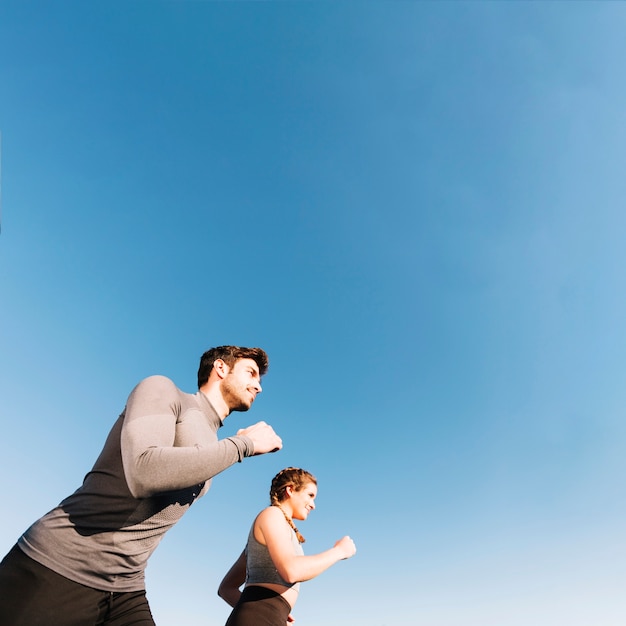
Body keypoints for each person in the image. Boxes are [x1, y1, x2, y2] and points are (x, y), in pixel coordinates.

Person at [0, 345, 282, 626]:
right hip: (57, 566)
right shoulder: (163, 391)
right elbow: (144, 471)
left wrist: (236, 446)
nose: (258, 386)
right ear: (220, 368)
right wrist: (244, 445)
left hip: (126, 586)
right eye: (251, 373)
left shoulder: (216, 443)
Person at [218, 467, 356, 626]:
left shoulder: (279, 529)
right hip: (257, 618)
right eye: (310, 495)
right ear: (290, 490)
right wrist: (339, 551)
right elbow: (291, 571)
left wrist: (275, 613)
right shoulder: (272, 514)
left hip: (270, 617)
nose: (313, 505)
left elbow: (226, 588)